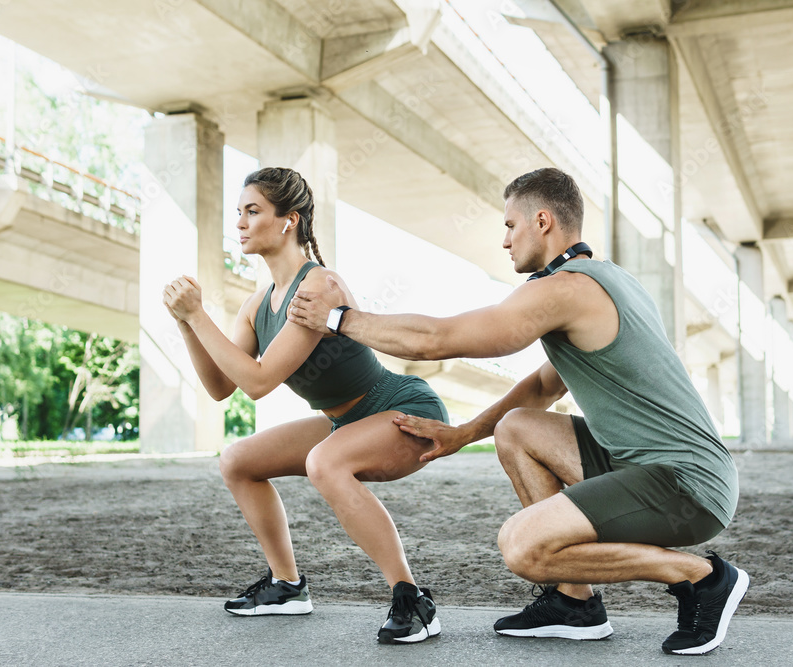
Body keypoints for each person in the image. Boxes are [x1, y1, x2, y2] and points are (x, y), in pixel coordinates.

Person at [287, 167, 748, 656]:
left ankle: (702, 578)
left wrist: (337, 319)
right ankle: (575, 604)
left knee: (524, 547)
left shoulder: (564, 290)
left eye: (511, 226)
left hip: (688, 485)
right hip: (643, 464)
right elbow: (543, 385)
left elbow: (437, 340)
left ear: (543, 221)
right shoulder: (606, 279)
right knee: (516, 428)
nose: (505, 241)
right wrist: (463, 434)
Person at [162, 167, 447, 644]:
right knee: (238, 461)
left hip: (402, 408)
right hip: (343, 421)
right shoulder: (256, 306)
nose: (241, 223)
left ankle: (412, 599)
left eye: (253, 212)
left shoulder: (318, 289)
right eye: (239, 213)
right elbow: (219, 386)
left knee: (325, 462)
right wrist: (186, 324)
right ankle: (286, 586)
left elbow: (257, 382)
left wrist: (197, 314)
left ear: (289, 220)